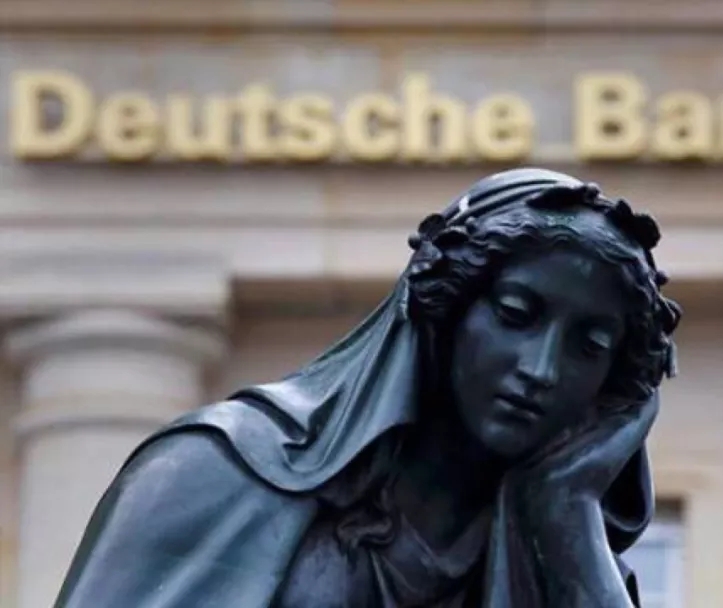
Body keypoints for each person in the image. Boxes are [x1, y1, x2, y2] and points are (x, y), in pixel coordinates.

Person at [54, 167, 682, 607]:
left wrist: (567, 508)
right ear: (447, 307)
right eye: (515, 315)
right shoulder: (220, 469)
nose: (541, 369)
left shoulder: (567, 554)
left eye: (589, 348)